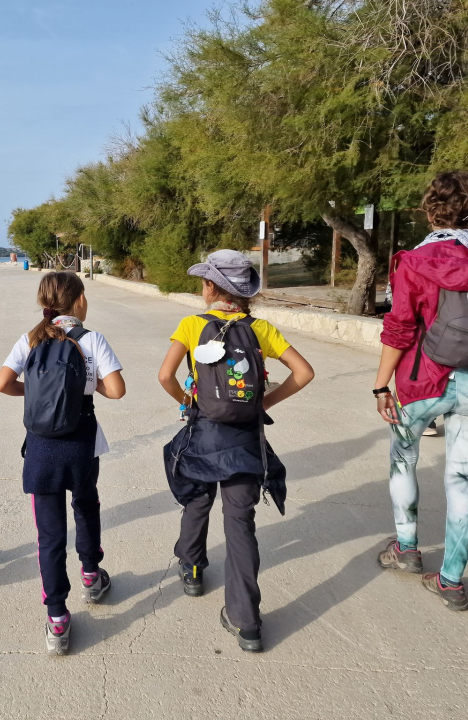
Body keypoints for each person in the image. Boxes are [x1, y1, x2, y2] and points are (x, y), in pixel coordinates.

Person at [374, 171, 468, 610]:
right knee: (462, 480)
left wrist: (381, 385)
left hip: (423, 384)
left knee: (404, 459)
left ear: (429, 208)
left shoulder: (415, 261)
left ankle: (406, 549)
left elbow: (399, 328)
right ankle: (452, 581)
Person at [157, 250, 314, 652]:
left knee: (196, 499)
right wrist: (264, 404)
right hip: (245, 439)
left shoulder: (192, 325)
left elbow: (165, 376)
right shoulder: (261, 329)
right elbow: (304, 373)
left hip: (203, 434)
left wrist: (188, 404)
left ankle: (192, 570)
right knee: (239, 521)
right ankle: (246, 621)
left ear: (211, 287)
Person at [0, 271, 125, 655]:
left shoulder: (30, 339)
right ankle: (91, 575)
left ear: (44, 303)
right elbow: (116, 390)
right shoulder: (90, 339)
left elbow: (2, 383)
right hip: (81, 443)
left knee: (49, 534)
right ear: (79, 300)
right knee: (86, 506)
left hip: (40, 448)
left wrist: (36, 395)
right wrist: (90, 383)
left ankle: (57, 618)